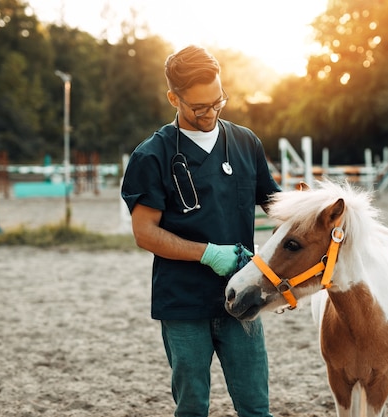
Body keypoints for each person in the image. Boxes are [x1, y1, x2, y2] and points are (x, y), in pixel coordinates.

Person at [121, 45, 280, 417]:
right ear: (173, 98)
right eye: (198, 107)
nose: (210, 113)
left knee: (257, 407)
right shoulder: (152, 156)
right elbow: (145, 233)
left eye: (218, 101)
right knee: (192, 406)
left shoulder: (245, 143)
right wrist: (210, 253)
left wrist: (308, 209)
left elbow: (274, 203)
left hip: (243, 298)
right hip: (183, 302)